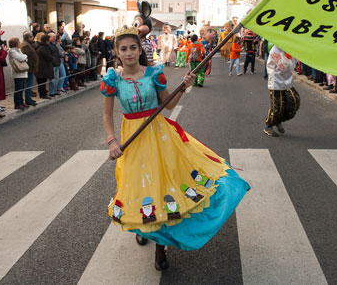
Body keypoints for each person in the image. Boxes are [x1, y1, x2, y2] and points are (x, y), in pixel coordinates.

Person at [101, 26, 249, 271]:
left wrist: (184, 85)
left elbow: (168, 106)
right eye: (123, 49)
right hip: (134, 140)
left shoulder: (153, 74)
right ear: (117, 52)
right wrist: (111, 141)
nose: (129, 53)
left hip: (160, 136)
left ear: (140, 50)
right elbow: (107, 116)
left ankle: (160, 247)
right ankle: (146, 230)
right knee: (142, 188)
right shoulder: (112, 79)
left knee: (164, 188)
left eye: (133, 48)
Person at [263, 45, 300, 136]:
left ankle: (278, 120)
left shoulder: (289, 47)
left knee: (294, 101)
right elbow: (284, 66)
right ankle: (268, 126)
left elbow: (294, 64)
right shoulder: (275, 49)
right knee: (277, 107)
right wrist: (289, 56)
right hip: (276, 82)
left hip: (287, 81)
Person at [8, 37, 29, 110]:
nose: (20, 43)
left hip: (23, 72)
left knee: (22, 88)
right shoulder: (12, 51)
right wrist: (25, 56)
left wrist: (24, 57)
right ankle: (17, 103)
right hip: (18, 72)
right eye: (19, 42)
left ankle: (21, 102)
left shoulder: (18, 50)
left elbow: (24, 58)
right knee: (18, 88)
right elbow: (21, 58)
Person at [20, 32, 39, 107]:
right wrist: (31, 64)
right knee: (28, 85)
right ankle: (28, 99)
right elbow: (25, 57)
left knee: (29, 85)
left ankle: (29, 98)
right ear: (28, 37)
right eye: (31, 37)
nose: (33, 38)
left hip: (31, 68)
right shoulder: (25, 45)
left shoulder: (29, 44)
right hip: (29, 68)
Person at [35, 34, 54, 99]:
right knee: (42, 82)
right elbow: (47, 56)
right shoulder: (42, 47)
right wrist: (52, 58)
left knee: (42, 81)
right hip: (42, 67)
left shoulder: (42, 46)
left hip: (43, 67)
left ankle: (43, 93)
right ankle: (43, 94)